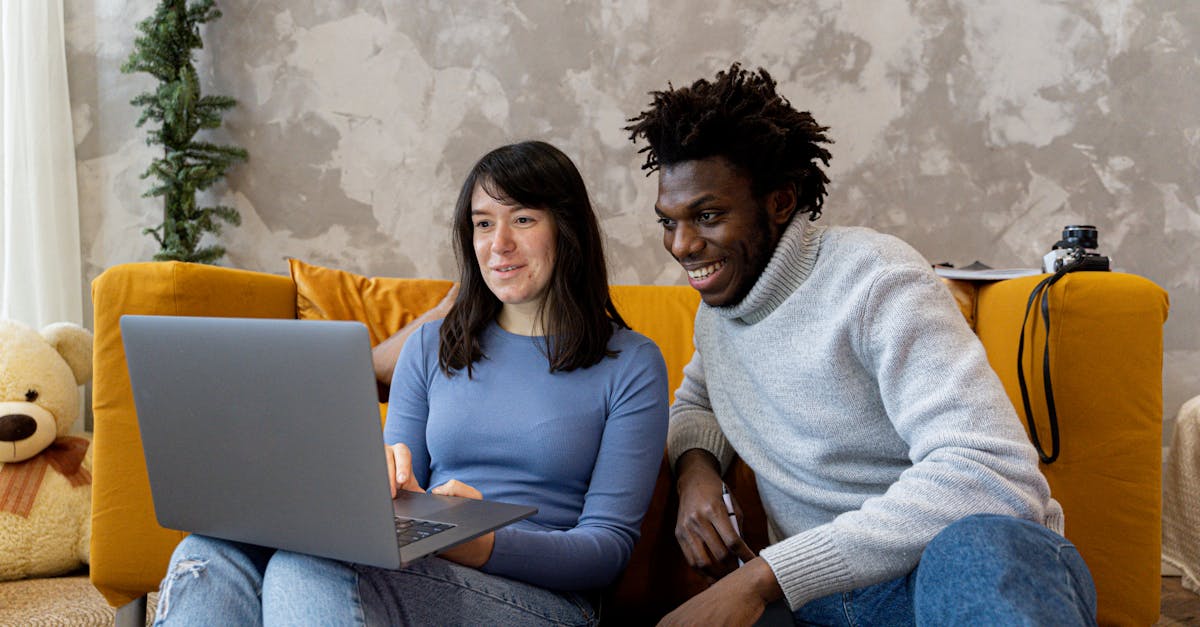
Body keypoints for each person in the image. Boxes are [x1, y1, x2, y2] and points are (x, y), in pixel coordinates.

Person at [625, 64, 1097, 626]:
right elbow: (698, 402)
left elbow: (990, 471)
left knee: (976, 548)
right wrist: (695, 471)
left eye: (707, 216)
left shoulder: (876, 279)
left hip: (942, 576)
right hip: (820, 606)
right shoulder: (723, 312)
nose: (681, 245)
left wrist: (766, 576)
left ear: (779, 202)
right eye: (668, 221)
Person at [151, 141, 669, 626]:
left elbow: (607, 549)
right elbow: (399, 497)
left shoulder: (631, 363)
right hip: (429, 562)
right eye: (483, 224)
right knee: (208, 554)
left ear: (567, 228)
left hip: (546, 599)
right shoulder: (430, 346)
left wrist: (484, 543)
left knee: (308, 569)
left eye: (524, 219)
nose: (499, 244)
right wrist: (378, 489)